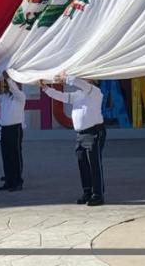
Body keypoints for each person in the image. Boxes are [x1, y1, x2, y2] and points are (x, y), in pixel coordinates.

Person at [41, 73, 106, 206]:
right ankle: (87, 192)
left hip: (93, 132)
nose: (83, 79)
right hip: (80, 135)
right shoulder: (79, 94)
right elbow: (61, 96)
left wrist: (67, 78)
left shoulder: (95, 91)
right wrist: (46, 89)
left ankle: (98, 195)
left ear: (94, 80)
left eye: (87, 77)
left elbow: (81, 84)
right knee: (82, 163)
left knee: (94, 164)